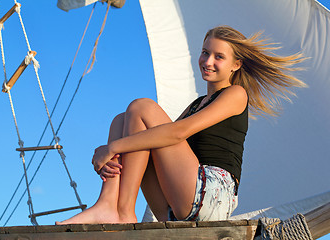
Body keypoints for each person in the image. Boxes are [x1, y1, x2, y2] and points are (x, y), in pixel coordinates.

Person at [56, 26, 306, 224]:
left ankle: (122, 211)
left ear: (236, 64)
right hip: (178, 206)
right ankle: (108, 203)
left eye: (219, 57)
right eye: (205, 52)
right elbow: (154, 141)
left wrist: (112, 148)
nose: (208, 61)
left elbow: (178, 133)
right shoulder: (197, 104)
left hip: (213, 195)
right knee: (122, 121)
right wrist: (117, 151)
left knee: (141, 107)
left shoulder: (235, 94)